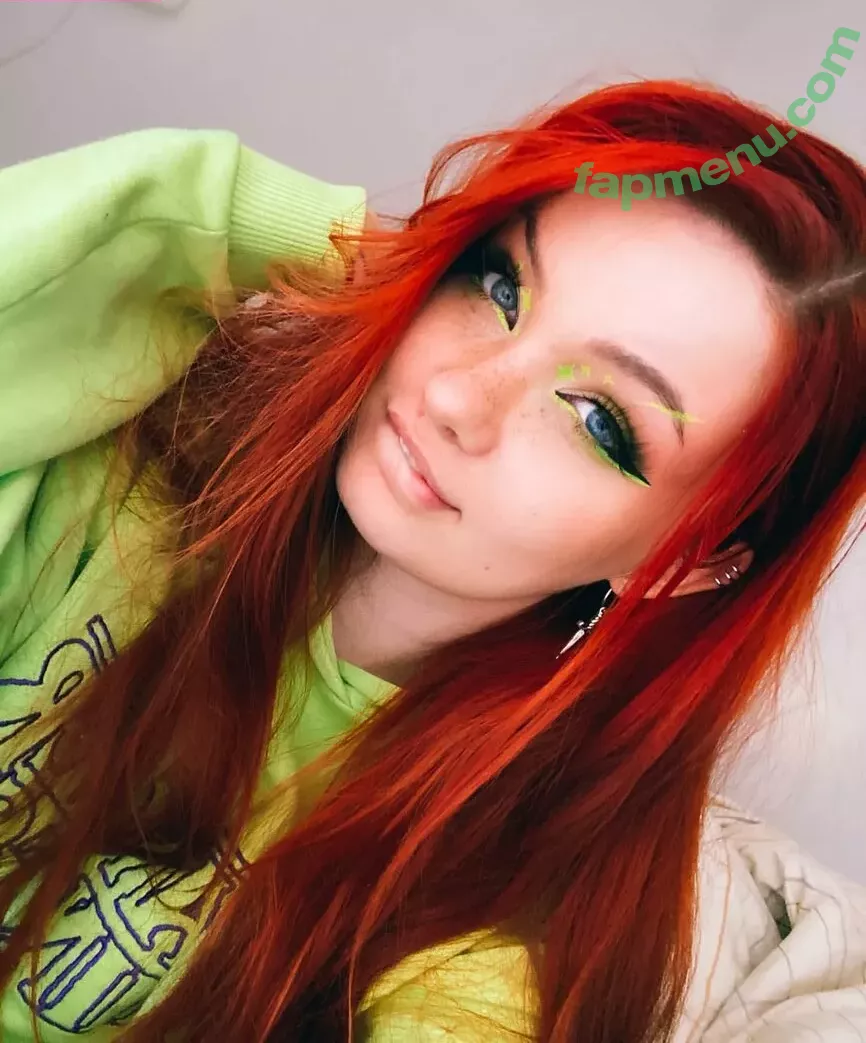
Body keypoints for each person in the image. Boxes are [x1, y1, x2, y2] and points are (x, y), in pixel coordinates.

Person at [0, 78, 863, 1043]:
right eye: (500, 287)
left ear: (682, 562)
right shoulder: (110, 485)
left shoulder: (489, 905)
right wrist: (308, 240)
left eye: (598, 419)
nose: (458, 396)